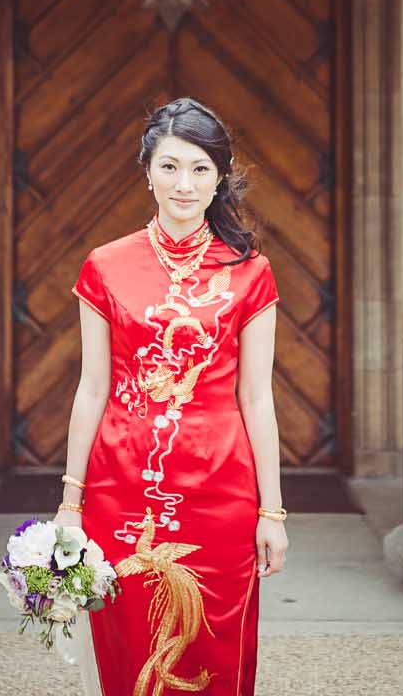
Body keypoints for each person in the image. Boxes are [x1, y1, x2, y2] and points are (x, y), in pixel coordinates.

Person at [54, 97, 287, 696]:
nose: (184, 184)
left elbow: (257, 398)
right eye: (170, 167)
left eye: (200, 169)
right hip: (120, 485)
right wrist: (71, 501)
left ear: (220, 177)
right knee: (124, 643)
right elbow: (92, 388)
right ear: (147, 173)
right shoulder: (104, 267)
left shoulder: (250, 271)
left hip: (223, 490)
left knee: (217, 641)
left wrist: (273, 512)